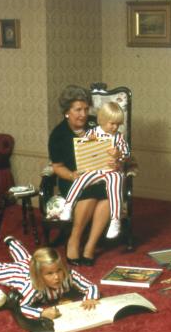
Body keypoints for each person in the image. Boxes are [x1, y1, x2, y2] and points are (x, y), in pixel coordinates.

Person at [48, 85, 119, 265]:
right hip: (73, 180)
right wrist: (73, 175)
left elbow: (116, 146)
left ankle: (89, 247)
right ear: (67, 111)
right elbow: (57, 167)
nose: (83, 114)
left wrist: (115, 160)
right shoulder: (58, 134)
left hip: (101, 175)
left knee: (109, 195)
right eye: (78, 110)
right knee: (88, 194)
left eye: (86, 109)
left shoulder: (97, 124)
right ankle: (74, 240)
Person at [0, 237, 99, 320]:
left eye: (59, 271)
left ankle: (12, 242)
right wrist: (41, 313)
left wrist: (90, 297)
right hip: (19, 275)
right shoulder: (32, 287)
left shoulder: (68, 276)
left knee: (27, 258)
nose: (57, 277)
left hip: (33, 265)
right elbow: (21, 307)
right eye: (50, 274)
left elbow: (90, 286)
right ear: (39, 275)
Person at [59, 101, 130, 241]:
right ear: (102, 120)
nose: (115, 127)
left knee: (116, 180)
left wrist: (118, 155)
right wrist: (88, 142)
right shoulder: (92, 132)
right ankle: (68, 205)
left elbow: (126, 155)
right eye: (112, 123)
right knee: (81, 179)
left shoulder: (119, 137)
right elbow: (81, 151)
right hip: (94, 169)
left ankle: (115, 220)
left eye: (118, 124)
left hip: (111, 170)